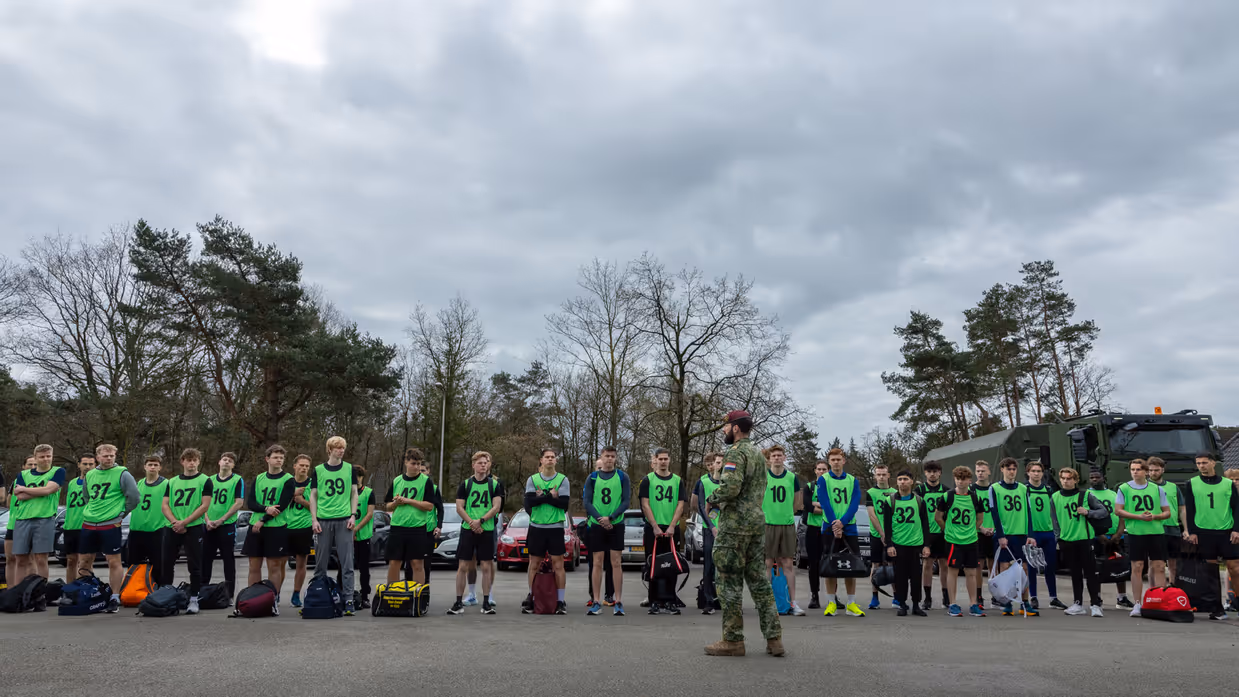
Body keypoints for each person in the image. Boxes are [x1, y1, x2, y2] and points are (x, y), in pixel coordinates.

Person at [704, 410, 783, 657]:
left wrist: (711, 499)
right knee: (760, 582)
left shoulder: (735, 452)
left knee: (728, 583)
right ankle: (774, 640)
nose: (724, 430)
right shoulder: (760, 456)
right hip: (757, 524)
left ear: (736, 428)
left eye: (726, 426)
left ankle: (733, 640)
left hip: (735, 526)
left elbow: (730, 487)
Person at [79, 443, 139, 612]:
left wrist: (119, 514)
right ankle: (87, 591)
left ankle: (115, 596)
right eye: (105, 455)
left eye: (112, 455)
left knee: (113, 560)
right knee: (84, 560)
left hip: (110, 523)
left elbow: (134, 497)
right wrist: (92, 511)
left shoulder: (122, 473)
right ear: (97, 457)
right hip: (89, 522)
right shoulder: (90, 474)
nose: (109, 458)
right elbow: (86, 496)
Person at [1179, 452, 1239, 620]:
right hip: (1204, 532)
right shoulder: (1191, 483)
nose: (1201, 466)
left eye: (1205, 462)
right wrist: (1192, 531)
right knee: (1210, 572)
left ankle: (1237, 602)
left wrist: (1236, 529)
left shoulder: (1228, 484)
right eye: (1198, 463)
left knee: (1235, 569)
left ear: (1213, 463)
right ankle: (1217, 608)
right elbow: (1190, 509)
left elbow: (1236, 507)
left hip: (1226, 532)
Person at [310, 436, 359, 616]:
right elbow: (313, 495)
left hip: (344, 519)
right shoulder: (318, 470)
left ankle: (348, 600)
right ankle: (319, 596)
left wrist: (353, 515)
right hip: (323, 519)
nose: (341, 450)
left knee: (347, 562)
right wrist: (314, 519)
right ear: (329, 449)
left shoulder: (349, 469)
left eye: (343, 448)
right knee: (320, 562)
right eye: (337, 448)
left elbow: (354, 493)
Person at [450, 452, 505, 615]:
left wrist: (480, 521)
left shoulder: (494, 485)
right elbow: (460, 507)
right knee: (463, 566)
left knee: (487, 566)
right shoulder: (465, 485)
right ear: (473, 465)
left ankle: (487, 602)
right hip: (468, 530)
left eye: (485, 463)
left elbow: (496, 507)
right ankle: (458, 602)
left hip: (486, 529)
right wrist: (471, 523)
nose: (483, 465)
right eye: (480, 462)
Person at [242, 445, 296, 609]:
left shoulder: (288, 479)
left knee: (274, 565)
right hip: (256, 527)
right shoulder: (259, 478)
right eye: (275, 457)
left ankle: (274, 599)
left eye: (281, 457)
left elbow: (282, 505)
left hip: (276, 527)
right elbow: (250, 503)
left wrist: (264, 519)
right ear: (267, 459)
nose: (279, 460)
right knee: (254, 565)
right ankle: (253, 598)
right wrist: (265, 510)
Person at [1115, 459, 1170, 617]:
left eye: (1138, 469)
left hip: (1156, 532)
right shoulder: (1124, 488)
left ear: (1146, 471)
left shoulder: (1156, 489)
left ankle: (1160, 601)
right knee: (1137, 567)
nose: (1135, 472)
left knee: (1159, 566)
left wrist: (1155, 516)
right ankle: (1137, 604)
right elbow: (1118, 510)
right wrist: (1138, 517)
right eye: (1132, 469)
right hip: (1136, 533)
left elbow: (1167, 512)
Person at [1052, 467, 1109, 617]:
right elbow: (1054, 520)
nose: (1065, 481)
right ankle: (1078, 603)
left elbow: (1104, 511)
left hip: (1085, 539)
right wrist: (1058, 538)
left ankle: (1095, 604)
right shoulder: (1055, 497)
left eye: (1069, 478)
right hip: (1067, 540)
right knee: (1075, 573)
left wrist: (1088, 512)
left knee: (1090, 573)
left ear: (1076, 480)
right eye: (1063, 478)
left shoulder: (1086, 495)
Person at [162, 448, 212, 614]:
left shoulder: (205, 480)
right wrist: (175, 522)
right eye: (188, 460)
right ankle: (167, 596)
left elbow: (204, 505)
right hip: (172, 527)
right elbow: (165, 505)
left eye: (194, 460)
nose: (191, 463)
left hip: (193, 527)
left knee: (195, 565)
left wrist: (185, 522)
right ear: (182, 461)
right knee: (167, 563)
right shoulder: (172, 481)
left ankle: (193, 598)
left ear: (198, 462)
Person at [817, 447, 865, 617]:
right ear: (829, 462)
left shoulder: (853, 480)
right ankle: (831, 602)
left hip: (849, 527)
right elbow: (824, 502)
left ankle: (851, 603)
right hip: (829, 528)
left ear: (844, 461)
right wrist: (834, 524)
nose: (836, 462)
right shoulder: (823, 480)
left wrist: (842, 523)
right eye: (833, 460)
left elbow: (854, 503)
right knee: (831, 565)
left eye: (839, 459)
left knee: (850, 565)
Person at [522, 448, 570, 615]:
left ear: (556, 460)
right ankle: (532, 597)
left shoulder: (563, 479)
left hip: (555, 527)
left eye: (553, 457)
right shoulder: (533, 479)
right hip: (537, 527)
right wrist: (551, 496)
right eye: (547, 457)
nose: (550, 459)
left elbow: (564, 505)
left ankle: (560, 600)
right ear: (541, 460)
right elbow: (529, 503)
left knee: (558, 565)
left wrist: (542, 497)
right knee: (534, 564)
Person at [640, 448, 688, 615]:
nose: (663, 461)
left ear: (669, 460)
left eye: (665, 459)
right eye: (660, 459)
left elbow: (680, 504)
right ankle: (654, 600)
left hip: (670, 529)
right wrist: (654, 526)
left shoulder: (677, 480)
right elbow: (645, 504)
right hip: (653, 528)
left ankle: (670, 600)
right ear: (655, 460)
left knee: (671, 565)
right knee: (653, 564)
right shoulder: (648, 480)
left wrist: (672, 526)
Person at [988, 457, 1037, 616]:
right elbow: (994, 512)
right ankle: (1007, 602)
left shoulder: (1024, 488)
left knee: (1024, 569)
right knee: (1004, 568)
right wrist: (1000, 535)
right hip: (1005, 535)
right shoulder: (994, 488)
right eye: (1008, 468)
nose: (1011, 471)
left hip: (1021, 534)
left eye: (1013, 469)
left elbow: (1029, 512)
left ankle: (1025, 602)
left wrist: (1030, 534)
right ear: (1002, 470)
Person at [584, 446, 630, 617]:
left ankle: (618, 601)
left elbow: (625, 501)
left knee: (616, 562)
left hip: (615, 524)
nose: (609, 459)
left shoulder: (622, 477)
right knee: (597, 562)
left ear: (616, 458)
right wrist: (600, 519)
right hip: (597, 525)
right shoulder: (593, 478)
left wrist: (610, 517)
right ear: (601, 457)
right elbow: (587, 502)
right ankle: (596, 601)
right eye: (606, 456)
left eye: (612, 456)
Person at [935, 466, 984, 618]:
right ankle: (953, 604)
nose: (960, 482)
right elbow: (938, 517)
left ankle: (973, 604)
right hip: (953, 540)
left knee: (971, 572)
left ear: (969, 480)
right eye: (958, 479)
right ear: (954, 479)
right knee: (953, 571)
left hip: (971, 540)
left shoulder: (975, 497)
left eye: (963, 479)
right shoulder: (947, 496)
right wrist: (947, 530)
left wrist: (972, 530)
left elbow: (980, 518)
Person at [11, 444, 65, 582]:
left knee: (41, 558)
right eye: (42, 457)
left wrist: (25, 489)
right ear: (35, 458)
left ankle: (41, 594)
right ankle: (19, 595)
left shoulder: (58, 471)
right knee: (20, 559)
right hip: (22, 519)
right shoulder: (23, 474)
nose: (46, 459)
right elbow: (20, 496)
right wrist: (41, 491)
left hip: (44, 519)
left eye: (48, 456)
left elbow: (49, 490)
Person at [385, 448, 434, 587]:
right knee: (394, 562)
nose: (417, 467)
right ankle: (392, 594)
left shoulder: (426, 482)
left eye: (419, 464)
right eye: (413, 463)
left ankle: (418, 596)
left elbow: (429, 506)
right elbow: (387, 506)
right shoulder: (397, 481)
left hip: (417, 528)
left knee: (417, 563)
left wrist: (408, 501)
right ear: (406, 462)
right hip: (398, 527)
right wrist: (396, 503)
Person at [883, 470, 930, 616]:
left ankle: (916, 604)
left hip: (915, 544)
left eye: (905, 479)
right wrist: (889, 545)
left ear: (911, 481)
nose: (902, 482)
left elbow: (925, 524)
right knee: (900, 577)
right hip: (899, 544)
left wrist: (926, 545)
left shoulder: (919, 501)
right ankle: (902, 604)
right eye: (900, 479)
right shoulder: (890, 501)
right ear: (896, 482)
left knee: (916, 577)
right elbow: (887, 525)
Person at [203, 452, 245, 598]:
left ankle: (229, 594)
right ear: (219, 462)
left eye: (230, 461)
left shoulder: (237, 480)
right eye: (224, 459)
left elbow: (238, 502)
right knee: (206, 559)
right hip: (208, 525)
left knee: (228, 559)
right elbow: (202, 503)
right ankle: (203, 590)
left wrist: (221, 520)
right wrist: (207, 519)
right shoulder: (209, 480)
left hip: (226, 525)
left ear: (233, 465)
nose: (227, 462)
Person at [1088, 469, 1131, 609]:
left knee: (1120, 566)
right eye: (1092, 477)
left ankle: (1122, 597)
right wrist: (1098, 534)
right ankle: (1097, 598)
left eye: (1097, 477)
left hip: (1115, 536)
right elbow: (1086, 517)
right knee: (1097, 568)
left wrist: (1119, 533)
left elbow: (1121, 513)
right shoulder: (1086, 495)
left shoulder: (1114, 494)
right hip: (1097, 537)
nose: (1094, 479)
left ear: (1103, 478)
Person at [1025, 461, 1063, 610]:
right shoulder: (1025, 490)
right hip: (1032, 533)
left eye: (1039, 471)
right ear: (1028, 472)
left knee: (1050, 566)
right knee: (1032, 567)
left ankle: (1053, 597)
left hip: (1048, 533)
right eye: (1033, 471)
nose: (1036, 473)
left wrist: (1056, 532)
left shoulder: (1048, 490)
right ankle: (1033, 596)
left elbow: (1054, 512)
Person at [127, 456, 170, 578]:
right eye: (150, 464)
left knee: (158, 565)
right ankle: (134, 591)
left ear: (160, 468)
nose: (152, 467)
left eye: (156, 465)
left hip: (156, 529)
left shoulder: (166, 484)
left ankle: (157, 591)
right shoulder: (139, 483)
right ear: (145, 467)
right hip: (137, 529)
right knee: (133, 564)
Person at [916, 460, 950, 610]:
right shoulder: (920, 490)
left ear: (940, 473)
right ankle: (927, 597)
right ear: (925, 473)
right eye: (929, 471)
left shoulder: (947, 491)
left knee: (944, 565)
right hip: (927, 532)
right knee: (927, 564)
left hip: (943, 532)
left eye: (935, 471)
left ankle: (946, 596)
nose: (932, 474)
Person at [339, 466, 374, 609]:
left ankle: (365, 595)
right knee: (344, 566)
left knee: (364, 568)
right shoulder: (345, 492)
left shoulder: (368, 493)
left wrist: (357, 528)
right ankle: (341, 593)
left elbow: (370, 513)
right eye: (354, 476)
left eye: (359, 476)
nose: (357, 478)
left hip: (362, 535)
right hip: (346, 534)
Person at [864, 464, 896, 610]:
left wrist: (889, 535)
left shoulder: (895, 492)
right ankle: (875, 597)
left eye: (884, 474)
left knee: (893, 565)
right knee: (875, 565)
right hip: (877, 534)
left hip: (893, 535)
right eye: (879, 474)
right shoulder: (870, 492)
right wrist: (882, 533)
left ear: (888, 475)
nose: (881, 477)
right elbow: (872, 514)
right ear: (875, 476)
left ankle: (897, 597)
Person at [62, 452, 96, 584]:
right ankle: (70, 590)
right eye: (85, 464)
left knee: (85, 562)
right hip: (71, 526)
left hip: (87, 526)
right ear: (79, 465)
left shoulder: (97, 483)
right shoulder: (72, 483)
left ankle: (84, 590)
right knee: (71, 561)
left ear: (95, 465)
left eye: (90, 464)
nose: (87, 467)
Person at [285, 454, 314, 608]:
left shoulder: (312, 484)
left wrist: (302, 501)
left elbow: (317, 508)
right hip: (284, 526)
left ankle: (296, 594)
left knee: (301, 563)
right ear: (294, 466)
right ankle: (274, 593)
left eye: (307, 466)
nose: (303, 468)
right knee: (279, 562)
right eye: (301, 465)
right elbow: (278, 502)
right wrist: (293, 494)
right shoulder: (287, 482)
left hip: (304, 527)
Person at [1147, 457, 1181, 583]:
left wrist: (1187, 529)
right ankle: (1152, 592)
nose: (1153, 473)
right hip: (1153, 529)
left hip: (1172, 528)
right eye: (1150, 470)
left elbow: (1182, 509)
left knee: (1173, 565)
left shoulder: (1173, 487)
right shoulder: (1144, 487)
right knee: (1154, 564)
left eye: (1156, 470)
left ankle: (1172, 591)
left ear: (1163, 470)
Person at [801, 459, 828, 609]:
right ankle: (814, 596)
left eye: (824, 469)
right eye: (819, 469)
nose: (821, 472)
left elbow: (835, 505)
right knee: (813, 563)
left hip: (828, 528)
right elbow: (808, 506)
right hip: (812, 528)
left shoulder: (831, 487)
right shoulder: (810, 487)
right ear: (815, 471)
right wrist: (825, 508)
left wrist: (817, 504)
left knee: (831, 562)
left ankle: (833, 596)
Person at [4, 458, 35, 589]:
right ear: (23, 466)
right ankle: (11, 591)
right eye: (30, 464)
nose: (32, 467)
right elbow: (9, 503)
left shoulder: (42, 482)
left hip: (30, 524)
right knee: (10, 559)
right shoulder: (17, 481)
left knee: (29, 560)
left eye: (35, 464)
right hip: (13, 525)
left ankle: (29, 591)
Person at [417, 457, 444, 585]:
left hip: (428, 530)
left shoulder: (433, 489)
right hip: (413, 529)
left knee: (426, 563)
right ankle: (410, 591)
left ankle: (425, 591)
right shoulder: (412, 487)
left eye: (423, 470)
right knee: (410, 563)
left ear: (428, 472)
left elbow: (440, 509)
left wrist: (439, 526)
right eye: (419, 470)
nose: (421, 473)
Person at [972, 460, 994, 607]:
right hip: (978, 532)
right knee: (978, 566)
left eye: (983, 470)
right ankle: (978, 596)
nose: (980, 473)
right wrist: (981, 528)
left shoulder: (995, 489)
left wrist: (994, 528)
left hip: (994, 532)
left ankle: (995, 595)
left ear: (989, 472)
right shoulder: (971, 490)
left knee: (994, 565)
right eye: (978, 471)